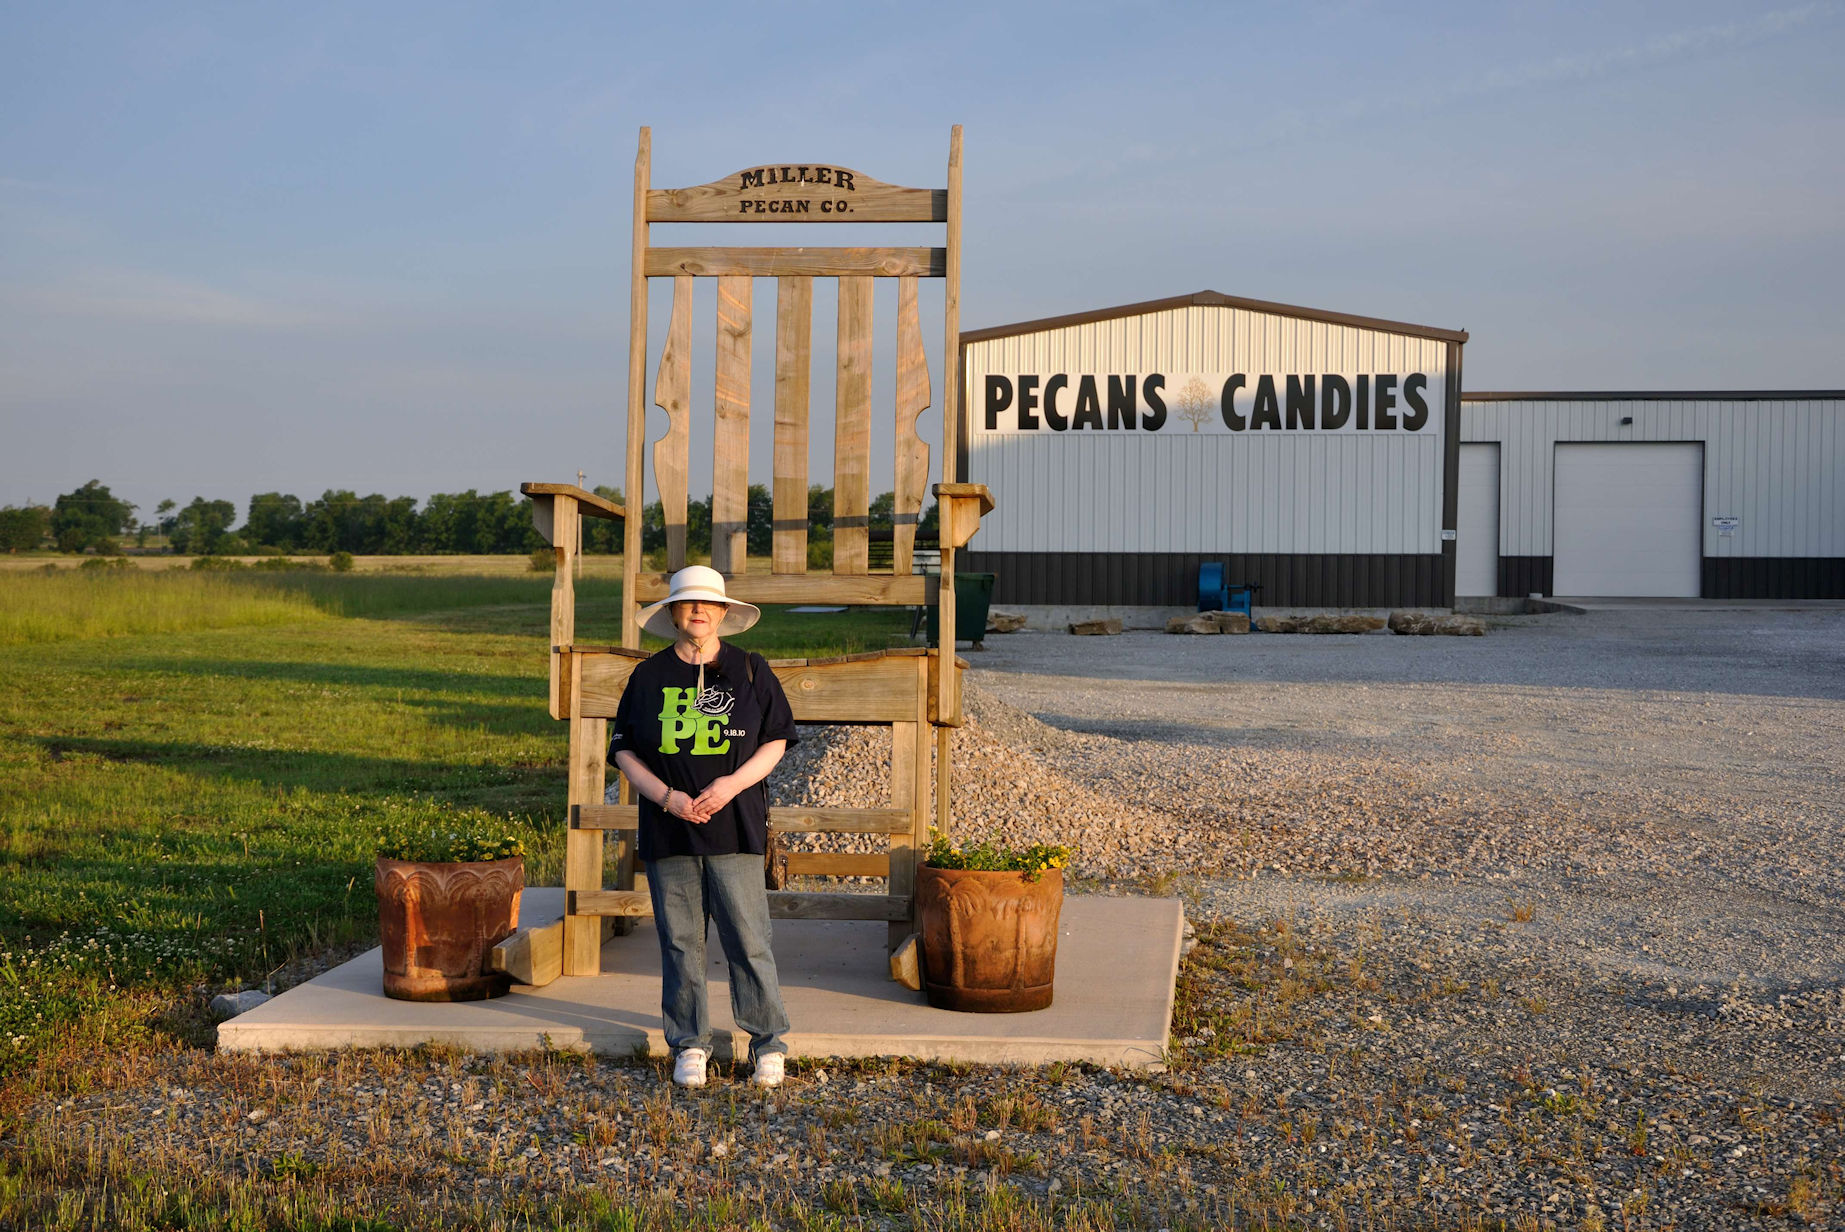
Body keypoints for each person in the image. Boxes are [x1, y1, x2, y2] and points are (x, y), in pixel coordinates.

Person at [609, 565, 797, 1088]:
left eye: (707, 604)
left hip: (733, 826)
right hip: (669, 830)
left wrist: (731, 786)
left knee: (748, 938)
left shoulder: (751, 670)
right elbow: (623, 749)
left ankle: (767, 1043)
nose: (697, 611)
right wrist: (668, 798)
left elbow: (776, 740)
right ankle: (690, 1044)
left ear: (723, 613)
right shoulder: (647, 677)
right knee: (679, 940)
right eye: (687, 603)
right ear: (671, 613)